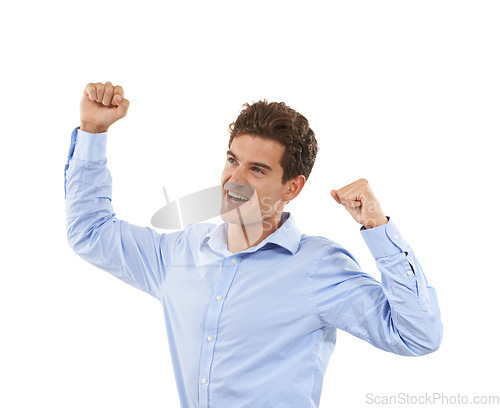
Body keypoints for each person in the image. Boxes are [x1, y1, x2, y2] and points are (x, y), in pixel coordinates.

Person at [65, 81, 443, 408]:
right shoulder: (179, 255)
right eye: (233, 160)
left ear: (292, 187)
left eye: (257, 170)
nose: (235, 179)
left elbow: (417, 335)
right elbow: (90, 233)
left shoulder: (317, 267)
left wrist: (378, 228)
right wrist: (92, 132)